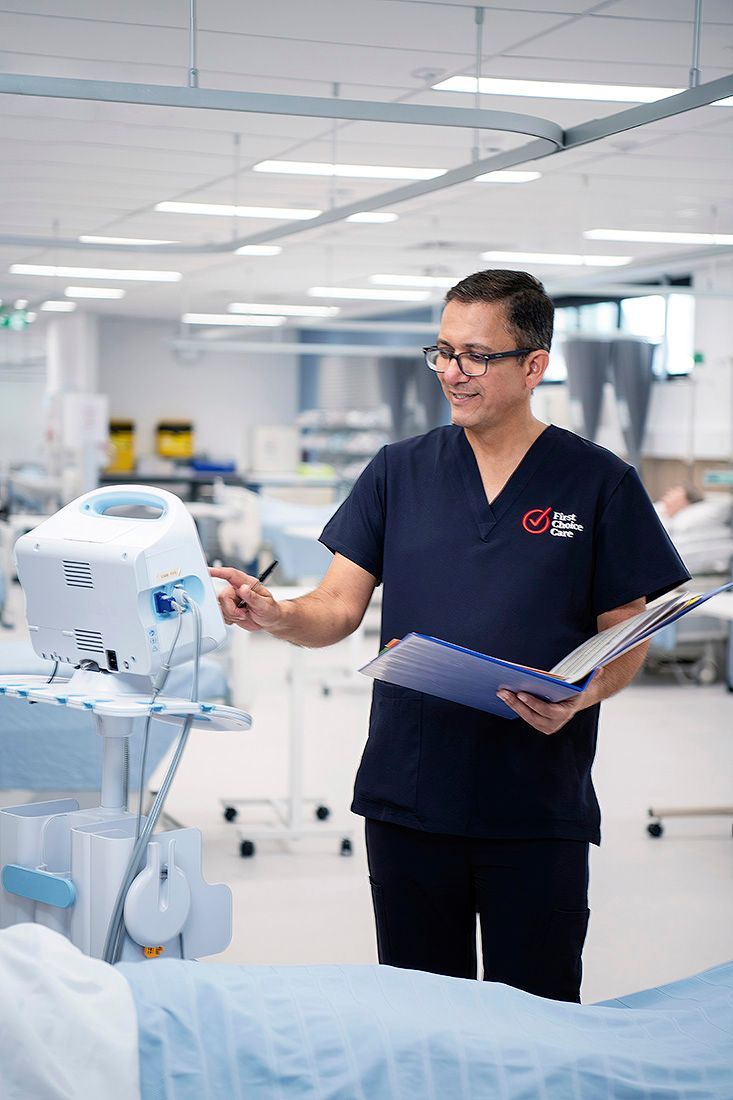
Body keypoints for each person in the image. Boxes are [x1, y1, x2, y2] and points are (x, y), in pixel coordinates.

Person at [211, 269, 689, 1003]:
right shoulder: (399, 471)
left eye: (475, 356)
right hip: (409, 795)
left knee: (536, 1018)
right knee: (418, 1016)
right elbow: (336, 607)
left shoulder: (598, 483)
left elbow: (625, 636)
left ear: (533, 366)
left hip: (535, 805)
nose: (451, 374)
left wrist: (581, 694)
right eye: (440, 352)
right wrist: (276, 614)